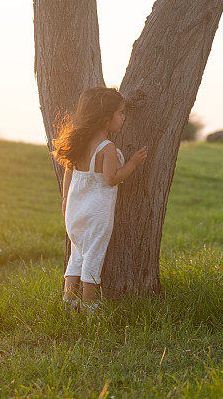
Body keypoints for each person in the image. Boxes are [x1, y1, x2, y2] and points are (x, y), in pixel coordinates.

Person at [52, 87, 148, 312]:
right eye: (121, 113)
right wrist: (132, 163)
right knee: (94, 255)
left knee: (77, 254)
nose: (123, 118)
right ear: (106, 118)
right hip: (97, 213)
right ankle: (90, 304)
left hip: (74, 210)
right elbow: (111, 179)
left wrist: (65, 200)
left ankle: (68, 301)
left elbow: (69, 172)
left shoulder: (78, 144)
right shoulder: (107, 147)